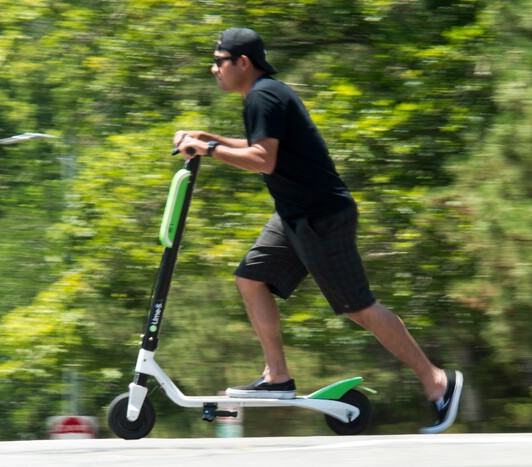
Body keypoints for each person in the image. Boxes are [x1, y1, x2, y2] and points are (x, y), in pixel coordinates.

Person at [173, 27, 463, 434]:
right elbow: (263, 145)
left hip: (320, 215)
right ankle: (277, 376)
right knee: (251, 277)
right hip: (294, 215)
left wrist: (208, 149)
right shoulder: (263, 95)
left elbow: (262, 160)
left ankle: (437, 381)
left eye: (219, 60)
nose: (213, 68)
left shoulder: (264, 95)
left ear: (243, 62)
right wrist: (208, 137)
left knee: (358, 307)